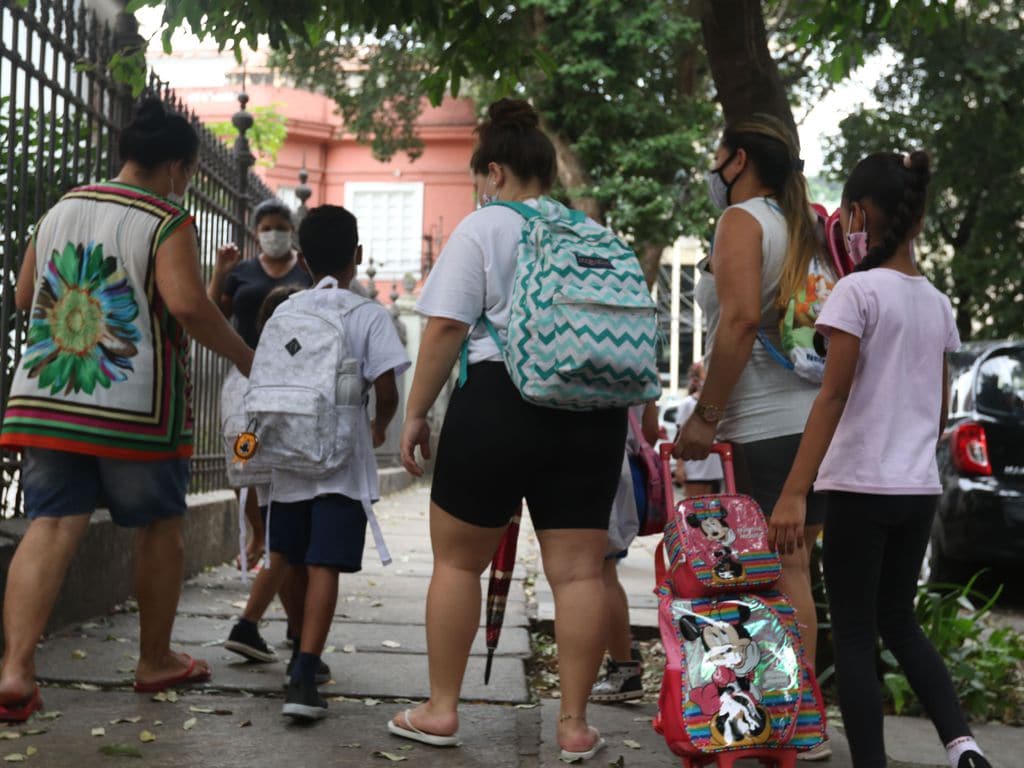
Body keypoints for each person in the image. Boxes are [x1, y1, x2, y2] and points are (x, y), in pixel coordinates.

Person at [0, 97, 254, 719]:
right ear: (176, 165)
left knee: (53, 522)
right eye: (190, 172)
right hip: (133, 407)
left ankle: (13, 671)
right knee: (159, 524)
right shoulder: (166, 219)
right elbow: (190, 308)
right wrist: (249, 358)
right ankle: (156, 660)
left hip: (50, 396)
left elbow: (27, 294)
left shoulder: (61, 208)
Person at [389, 98, 626, 762]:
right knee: (579, 574)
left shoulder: (485, 227)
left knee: (458, 562)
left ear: (494, 171)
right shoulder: (596, 235)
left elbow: (444, 328)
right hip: (589, 413)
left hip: (500, 400)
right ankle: (575, 727)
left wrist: (415, 412)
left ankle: (441, 709)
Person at [769, 151, 991, 768]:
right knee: (901, 621)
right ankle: (963, 747)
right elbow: (939, 410)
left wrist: (793, 491)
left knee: (859, 634)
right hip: (917, 491)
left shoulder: (856, 292)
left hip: (858, 490)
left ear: (859, 214)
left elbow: (833, 396)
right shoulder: (938, 304)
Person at [672, 114, 830, 760]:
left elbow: (737, 323)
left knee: (775, 578)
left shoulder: (741, 223)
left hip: (763, 429)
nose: (713, 166)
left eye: (717, 154)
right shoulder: (802, 228)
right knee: (795, 574)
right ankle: (798, 718)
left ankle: (791, 726)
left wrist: (705, 416)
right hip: (810, 425)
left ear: (738, 160)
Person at [270, 205, 409, 720]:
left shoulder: (285, 311)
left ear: (301, 259)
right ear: (358, 256)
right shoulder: (368, 315)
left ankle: (297, 649)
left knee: (288, 551)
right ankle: (306, 671)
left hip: (287, 457)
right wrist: (378, 424)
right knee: (325, 561)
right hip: (341, 461)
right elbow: (389, 388)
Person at [208, 198, 312, 570]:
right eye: (266, 229)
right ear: (256, 232)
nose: (274, 236)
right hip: (246, 371)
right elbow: (213, 314)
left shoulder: (304, 270)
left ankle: (279, 536)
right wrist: (220, 271)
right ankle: (257, 531)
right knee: (243, 450)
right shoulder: (242, 273)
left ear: (292, 232)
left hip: (295, 375)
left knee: (286, 454)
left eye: (280, 228)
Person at [590, 402, 658, 703]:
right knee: (604, 573)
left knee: (593, 574)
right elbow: (651, 430)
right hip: (628, 471)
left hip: (598, 464)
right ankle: (620, 663)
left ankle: (621, 668)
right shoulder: (642, 354)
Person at [673, 362, 724, 496]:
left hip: (715, 470)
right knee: (694, 511)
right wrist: (680, 467)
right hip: (695, 470)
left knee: (714, 513)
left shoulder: (718, 405)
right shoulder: (687, 404)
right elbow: (679, 436)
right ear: (696, 381)